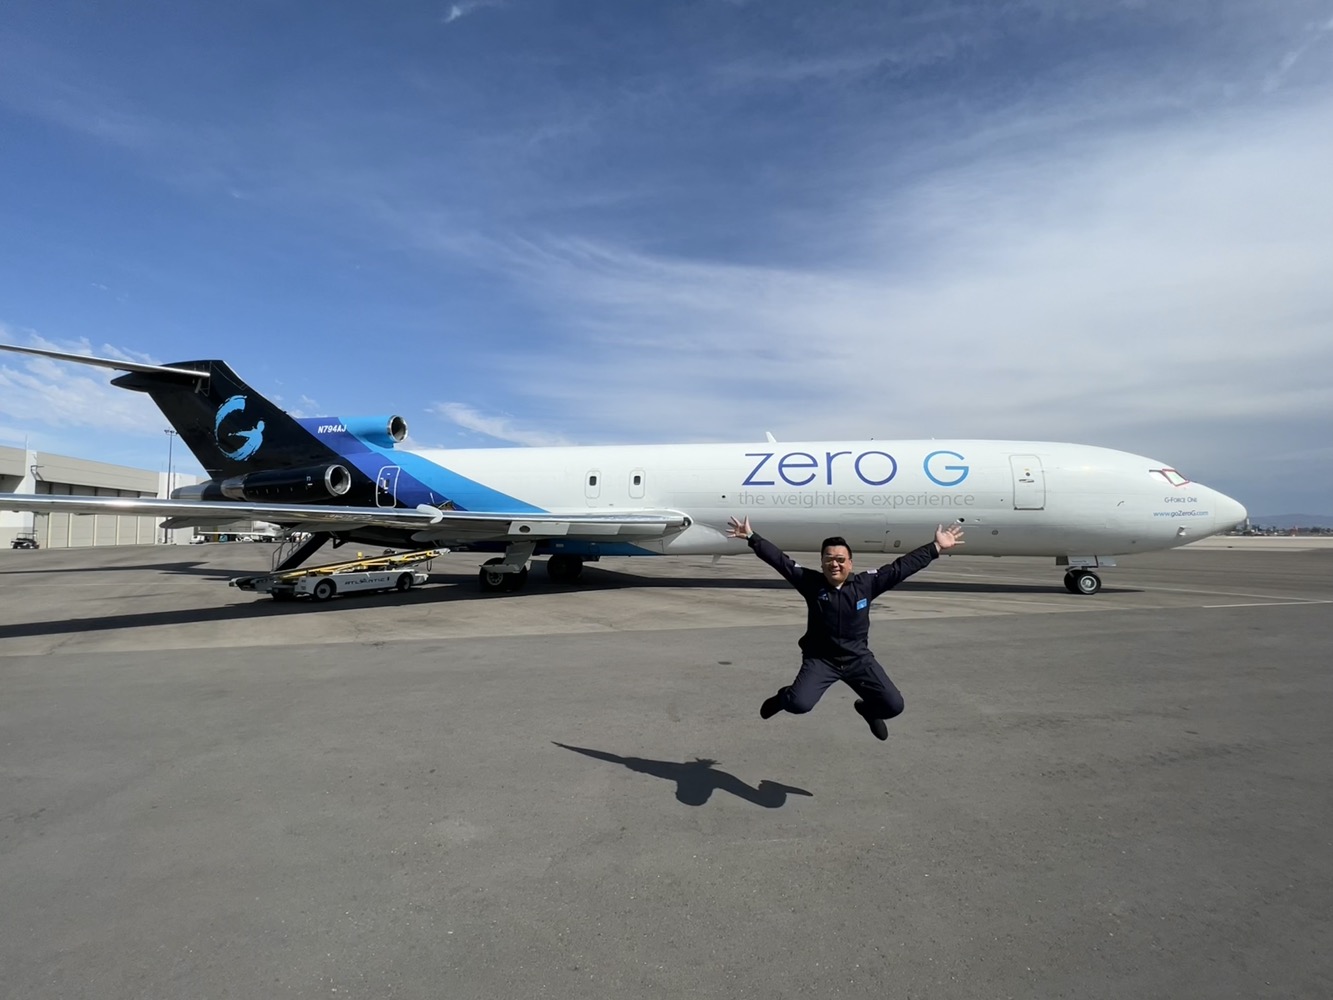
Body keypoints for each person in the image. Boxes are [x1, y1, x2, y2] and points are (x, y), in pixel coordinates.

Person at [726, 515, 964, 740]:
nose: (835, 564)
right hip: (821, 660)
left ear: (850, 563)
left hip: (858, 659)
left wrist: (936, 547)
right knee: (798, 704)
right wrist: (751, 537)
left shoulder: (866, 584)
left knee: (893, 706)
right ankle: (782, 697)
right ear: (822, 563)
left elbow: (902, 567)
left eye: (840, 559)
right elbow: (781, 561)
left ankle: (868, 711)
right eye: (829, 559)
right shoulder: (811, 583)